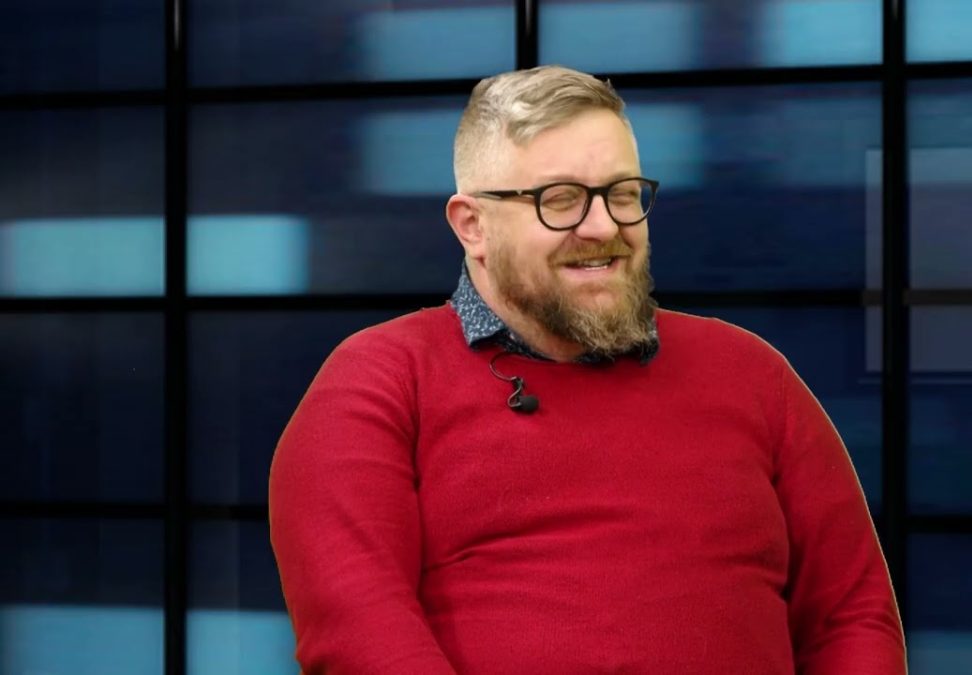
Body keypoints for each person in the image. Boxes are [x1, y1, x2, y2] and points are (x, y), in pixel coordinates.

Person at [269, 65, 905, 674]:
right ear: (473, 225)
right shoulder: (379, 381)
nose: (603, 226)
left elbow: (852, 616)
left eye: (623, 194)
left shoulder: (751, 371)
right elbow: (357, 630)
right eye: (561, 199)